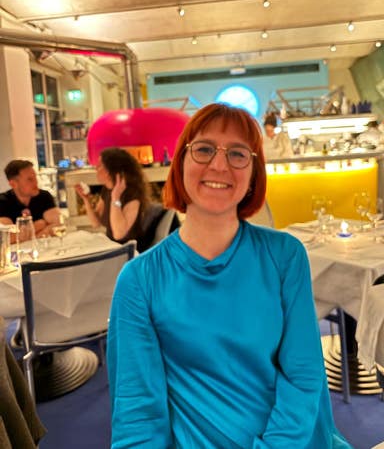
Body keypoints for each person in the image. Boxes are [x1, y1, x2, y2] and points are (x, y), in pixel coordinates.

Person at [107, 103, 352, 448]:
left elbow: (303, 376)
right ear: (181, 162)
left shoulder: (284, 256)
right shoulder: (139, 279)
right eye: (204, 149)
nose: (219, 165)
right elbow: (138, 413)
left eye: (238, 154)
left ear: (253, 174)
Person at [75, 147, 173, 252]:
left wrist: (115, 198)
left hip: (129, 252)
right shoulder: (107, 190)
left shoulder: (132, 194)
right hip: (113, 248)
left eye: (100, 166)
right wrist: (86, 200)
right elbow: (96, 223)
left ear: (110, 170)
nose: (96, 169)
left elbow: (119, 234)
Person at [0, 159, 61, 240]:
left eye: (35, 177)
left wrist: (27, 235)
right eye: (29, 179)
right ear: (13, 184)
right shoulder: (2, 201)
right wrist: (41, 224)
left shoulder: (44, 196)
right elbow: (6, 237)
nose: (36, 182)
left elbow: (58, 225)